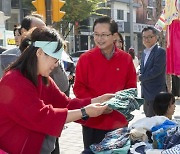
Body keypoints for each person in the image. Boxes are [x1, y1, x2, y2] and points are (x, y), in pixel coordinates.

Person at [0, 26, 113, 154]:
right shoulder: (14, 81)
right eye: (55, 59)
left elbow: (66, 103)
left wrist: (97, 100)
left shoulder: (43, 79)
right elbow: (41, 116)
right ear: (40, 53)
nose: (56, 65)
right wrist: (84, 112)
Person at [73, 16, 137, 151]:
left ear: (114, 36)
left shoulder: (126, 59)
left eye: (104, 35)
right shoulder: (85, 59)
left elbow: (131, 88)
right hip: (93, 121)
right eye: (96, 34)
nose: (99, 39)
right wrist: (98, 104)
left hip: (118, 121)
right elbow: (78, 88)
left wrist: (116, 104)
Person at [139, 26, 167, 117]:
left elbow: (156, 71)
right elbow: (143, 69)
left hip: (156, 93)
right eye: (144, 37)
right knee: (148, 121)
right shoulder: (144, 53)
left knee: (156, 123)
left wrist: (140, 77)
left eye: (150, 37)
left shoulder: (160, 51)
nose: (147, 39)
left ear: (155, 37)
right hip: (146, 93)